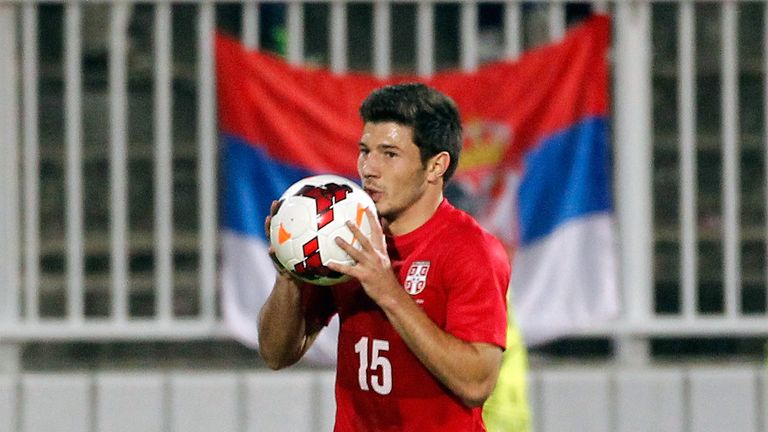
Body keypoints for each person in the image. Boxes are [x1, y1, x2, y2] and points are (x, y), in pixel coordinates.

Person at [258, 83, 510, 431]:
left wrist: (389, 291)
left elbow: (477, 384)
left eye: (389, 154)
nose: (368, 168)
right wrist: (287, 274)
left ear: (436, 166)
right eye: (365, 150)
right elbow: (276, 353)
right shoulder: (345, 236)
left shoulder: (472, 250)